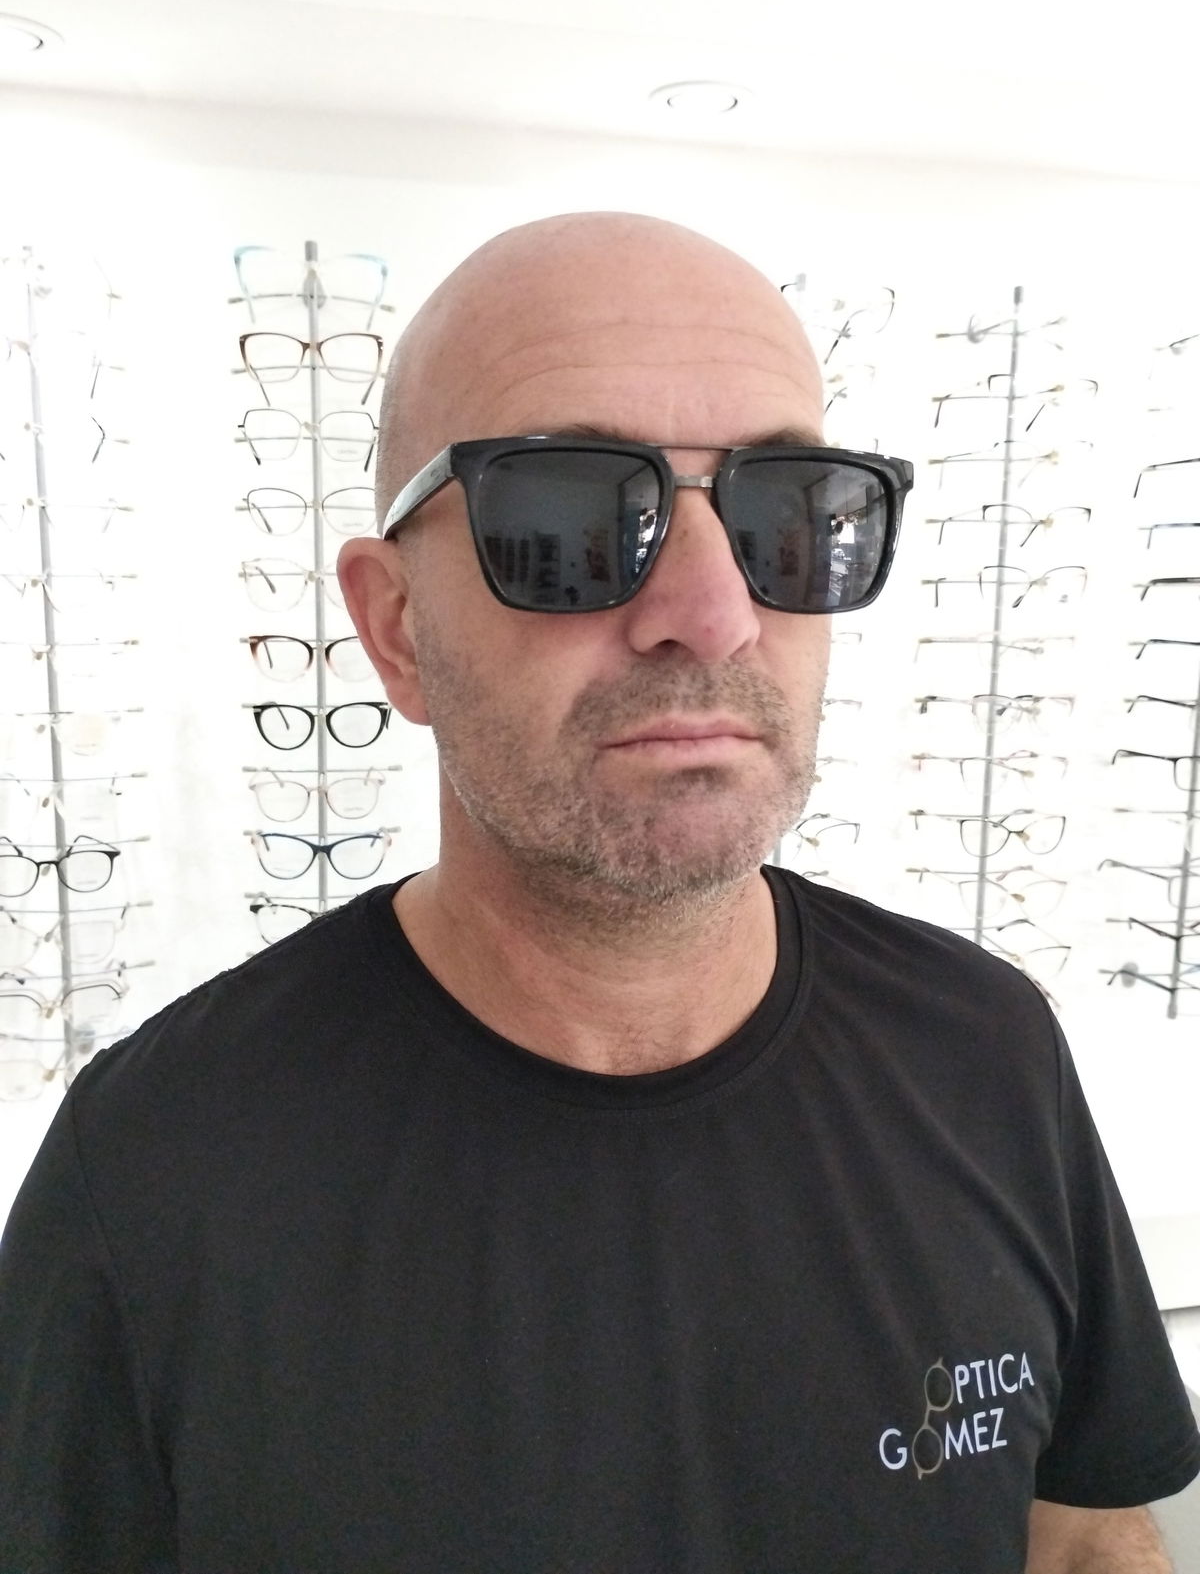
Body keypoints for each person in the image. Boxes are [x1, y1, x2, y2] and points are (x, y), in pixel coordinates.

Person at [1, 211, 1197, 1573]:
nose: (715, 612)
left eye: (792, 516)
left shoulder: (987, 1052)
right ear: (397, 626)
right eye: (569, 515)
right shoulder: (154, 1175)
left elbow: (1081, 1532)